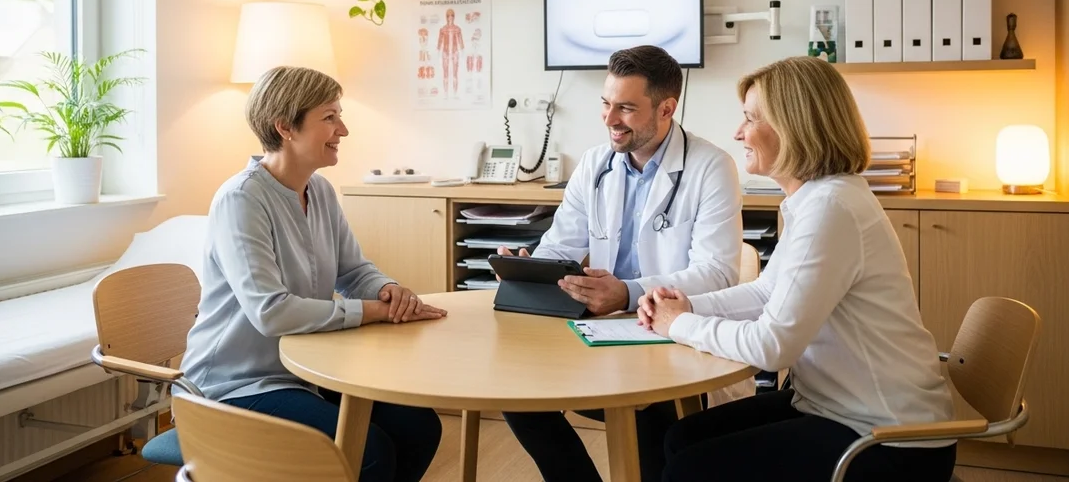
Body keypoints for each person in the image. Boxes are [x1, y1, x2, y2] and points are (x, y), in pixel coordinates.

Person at [639, 56, 956, 482]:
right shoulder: (816, 200)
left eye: (750, 119)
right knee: (680, 438)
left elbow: (773, 347)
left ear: (793, 126)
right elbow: (764, 293)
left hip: (889, 437)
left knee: (688, 469)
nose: (738, 132)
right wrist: (688, 305)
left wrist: (678, 324)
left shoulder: (831, 208)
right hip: (835, 406)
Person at [179, 66, 446, 482]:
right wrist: (371, 311)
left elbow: (353, 270)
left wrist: (389, 290)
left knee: (419, 427)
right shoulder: (241, 200)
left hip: (305, 372)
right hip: (235, 387)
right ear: (285, 126)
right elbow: (272, 313)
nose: (344, 129)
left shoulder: (318, 190)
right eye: (330, 117)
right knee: (366, 452)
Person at [498, 45, 744, 482]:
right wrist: (531, 267)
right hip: (598, 334)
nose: (610, 119)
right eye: (606, 104)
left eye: (626, 108)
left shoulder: (711, 167)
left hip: (670, 338)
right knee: (516, 392)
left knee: (651, 425)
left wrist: (627, 292)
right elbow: (562, 246)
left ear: (666, 108)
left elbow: (718, 273)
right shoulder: (596, 164)